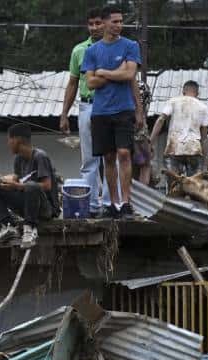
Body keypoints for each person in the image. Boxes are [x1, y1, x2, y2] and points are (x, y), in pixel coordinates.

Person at [82, 5, 142, 218]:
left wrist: (105, 72)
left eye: (120, 21)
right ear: (105, 22)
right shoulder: (92, 51)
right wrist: (119, 72)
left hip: (124, 109)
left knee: (124, 153)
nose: (119, 25)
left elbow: (130, 75)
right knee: (108, 157)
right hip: (100, 111)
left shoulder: (130, 45)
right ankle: (113, 204)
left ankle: (126, 202)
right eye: (115, 21)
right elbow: (90, 82)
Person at [59, 7, 106, 217]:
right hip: (87, 105)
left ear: (105, 23)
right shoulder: (79, 50)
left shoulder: (115, 48)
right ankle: (92, 206)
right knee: (90, 160)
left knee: (112, 158)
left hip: (110, 105)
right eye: (91, 24)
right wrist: (64, 114)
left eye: (98, 23)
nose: (94, 27)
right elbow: (72, 83)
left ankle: (110, 205)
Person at [0, 124, 58, 246]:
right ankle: (8, 226)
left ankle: (29, 229)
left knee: (31, 186)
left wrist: (18, 186)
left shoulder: (40, 156)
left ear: (17, 140)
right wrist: (1, 179)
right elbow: (15, 178)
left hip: (45, 209)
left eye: (9, 139)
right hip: (27, 206)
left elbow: (47, 186)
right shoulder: (19, 159)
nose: (8, 143)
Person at [151, 80, 208, 178]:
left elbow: (161, 119)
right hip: (194, 150)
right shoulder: (203, 107)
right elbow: (204, 138)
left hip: (174, 148)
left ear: (183, 91)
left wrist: (151, 142)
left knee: (174, 185)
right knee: (193, 185)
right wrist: (207, 162)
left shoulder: (173, 102)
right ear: (197, 93)